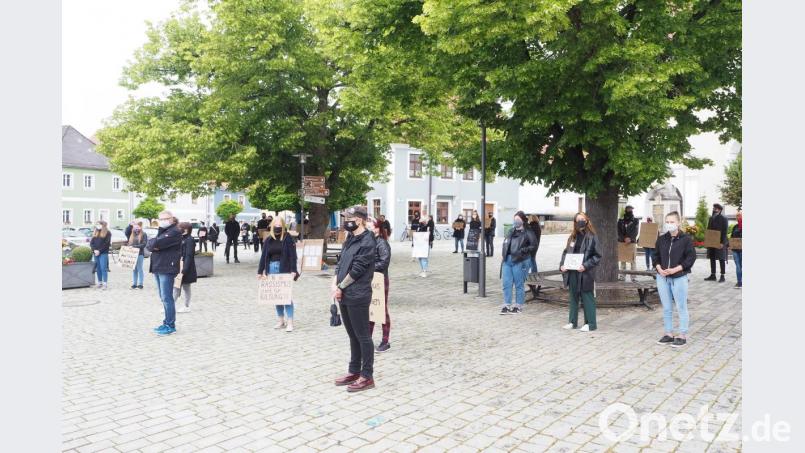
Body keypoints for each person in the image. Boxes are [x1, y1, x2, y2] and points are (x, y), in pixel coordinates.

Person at [331, 205, 377, 392]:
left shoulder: (368, 241)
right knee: (352, 335)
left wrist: (341, 287)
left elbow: (357, 270)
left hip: (358, 294)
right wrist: (335, 283)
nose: (345, 221)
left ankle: (367, 376)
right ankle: (354, 370)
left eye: (348, 218)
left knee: (363, 336)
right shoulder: (350, 238)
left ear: (359, 220)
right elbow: (341, 262)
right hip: (343, 293)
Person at [653, 211, 697, 348]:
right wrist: (659, 268)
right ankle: (668, 333)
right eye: (667, 221)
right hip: (662, 277)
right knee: (666, 307)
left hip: (678, 277)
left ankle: (682, 335)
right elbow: (656, 256)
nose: (669, 224)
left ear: (678, 223)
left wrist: (676, 269)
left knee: (681, 306)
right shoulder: (661, 239)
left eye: (672, 222)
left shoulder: (686, 239)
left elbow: (691, 258)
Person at [559, 212, 601, 332]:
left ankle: (590, 324)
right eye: (578, 220)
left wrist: (586, 265)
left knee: (587, 296)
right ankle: (572, 322)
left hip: (585, 272)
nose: (580, 221)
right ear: (575, 222)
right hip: (572, 271)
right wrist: (562, 265)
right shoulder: (572, 237)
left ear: (587, 220)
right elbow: (565, 253)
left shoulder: (592, 236)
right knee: (573, 296)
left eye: (582, 219)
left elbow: (597, 256)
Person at [257, 217, 300, 332]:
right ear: (272, 226)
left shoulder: (287, 238)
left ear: (283, 225)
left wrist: (293, 270)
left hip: (284, 268)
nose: (277, 226)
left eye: (279, 224)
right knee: (276, 297)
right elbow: (263, 257)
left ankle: (290, 321)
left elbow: (293, 255)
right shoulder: (268, 240)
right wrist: (260, 271)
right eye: (275, 224)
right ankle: (281, 320)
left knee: (286, 296)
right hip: (271, 268)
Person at [147, 211, 183, 336]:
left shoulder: (174, 232)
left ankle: (170, 325)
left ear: (171, 219)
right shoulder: (163, 231)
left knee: (167, 298)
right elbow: (151, 244)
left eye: (165, 219)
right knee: (163, 297)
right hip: (158, 266)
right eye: (160, 219)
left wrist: (155, 244)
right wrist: (154, 244)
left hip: (167, 267)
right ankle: (166, 322)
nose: (162, 221)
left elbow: (156, 243)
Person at [500, 211, 538, 315]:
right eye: (514, 219)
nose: (516, 221)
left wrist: (522, 251)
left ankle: (518, 305)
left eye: (518, 219)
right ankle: (506, 305)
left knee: (519, 284)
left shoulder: (528, 232)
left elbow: (534, 245)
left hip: (520, 260)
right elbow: (506, 243)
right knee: (506, 283)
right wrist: (504, 254)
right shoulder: (511, 231)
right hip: (507, 261)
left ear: (523, 220)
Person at [367, 217, 392, 352]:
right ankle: (368, 339)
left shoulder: (382, 243)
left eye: (372, 227)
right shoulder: (370, 241)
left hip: (380, 279)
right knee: (371, 310)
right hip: (370, 279)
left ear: (378, 229)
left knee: (381, 310)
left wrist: (369, 267)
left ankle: (385, 340)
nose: (370, 230)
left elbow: (384, 262)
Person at [174, 222, 198, 313]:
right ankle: (171, 306)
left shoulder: (189, 240)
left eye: (180, 228)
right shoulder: (181, 238)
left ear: (186, 229)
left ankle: (186, 306)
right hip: (179, 265)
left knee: (186, 287)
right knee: (176, 286)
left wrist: (184, 269)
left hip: (186, 267)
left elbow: (189, 255)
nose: (178, 229)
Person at [704, 203, 729, 283]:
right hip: (712, 241)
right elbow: (709, 230)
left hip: (720, 241)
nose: (714, 209)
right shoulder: (711, 218)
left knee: (721, 258)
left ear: (719, 209)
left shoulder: (724, 218)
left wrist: (722, 242)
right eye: (713, 208)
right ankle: (713, 275)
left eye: (715, 208)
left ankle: (722, 276)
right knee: (712, 258)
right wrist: (707, 241)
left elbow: (725, 231)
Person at [617, 205, 639, 282]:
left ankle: (633, 277)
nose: (629, 210)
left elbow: (636, 231)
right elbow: (618, 231)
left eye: (631, 209)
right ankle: (622, 276)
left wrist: (630, 238)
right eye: (628, 209)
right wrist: (624, 238)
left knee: (633, 260)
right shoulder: (620, 220)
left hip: (632, 242)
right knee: (623, 260)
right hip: (622, 242)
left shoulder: (636, 220)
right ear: (625, 210)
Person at [90, 220, 111, 290]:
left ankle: (105, 283)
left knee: (103, 268)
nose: (97, 226)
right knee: (98, 268)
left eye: (98, 224)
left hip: (103, 253)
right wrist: (94, 250)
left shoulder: (108, 233)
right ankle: (99, 282)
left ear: (103, 225)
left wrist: (99, 251)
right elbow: (91, 243)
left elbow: (106, 244)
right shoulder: (96, 232)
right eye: (97, 224)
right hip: (96, 253)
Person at [127, 221, 148, 289]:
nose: (136, 228)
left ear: (140, 227)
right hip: (132, 254)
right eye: (135, 226)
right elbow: (126, 233)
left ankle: (140, 283)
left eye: (138, 226)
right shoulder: (132, 234)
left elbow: (144, 244)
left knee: (139, 269)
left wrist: (134, 247)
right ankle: (134, 283)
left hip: (139, 254)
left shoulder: (143, 234)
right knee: (134, 269)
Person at [731, 209, 742, 288]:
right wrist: (729, 245)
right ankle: (739, 282)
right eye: (737, 216)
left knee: (741, 265)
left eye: (739, 216)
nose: (738, 217)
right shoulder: (735, 227)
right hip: (735, 249)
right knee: (738, 265)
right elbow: (732, 237)